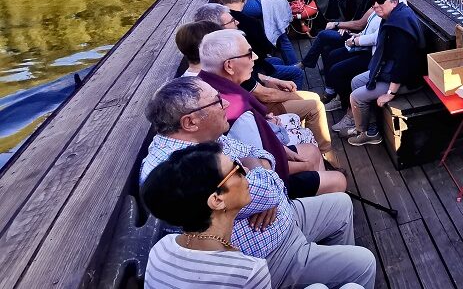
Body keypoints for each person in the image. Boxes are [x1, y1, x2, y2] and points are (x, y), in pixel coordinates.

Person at [140, 78, 375, 289]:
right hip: (270, 253)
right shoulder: (178, 170)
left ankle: (331, 270)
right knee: (363, 263)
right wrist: (264, 186)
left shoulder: (205, 137)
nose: (226, 105)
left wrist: (262, 186)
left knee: (341, 204)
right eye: (217, 102)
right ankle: (332, 272)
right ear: (190, 121)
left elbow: (262, 156)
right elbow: (269, 188)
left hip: (282, 218)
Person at [198, 30, 343, 193]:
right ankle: (315, 203)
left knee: (312, 150)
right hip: (268, 187)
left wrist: (285, 150)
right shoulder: (236, 113)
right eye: (249, 54)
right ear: (229, 66)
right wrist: (304, 166)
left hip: (262, 160)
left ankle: (317, 191)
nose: (255, 57)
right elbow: (261, 169)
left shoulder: (207, 85)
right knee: (339, 181)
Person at [141, 142, 271, 288]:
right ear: (217, 200)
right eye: (236, 169)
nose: (245, 171)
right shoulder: (249, 272)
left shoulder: (161, 249)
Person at [346, 0, 425, 146]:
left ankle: (365, 133)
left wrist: (390, 93)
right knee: (355, 81)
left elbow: (402, 63)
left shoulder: (399, 26)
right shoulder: (393, 15)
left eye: (380, 1)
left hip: (407, 80)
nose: (375, 5)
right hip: (390, 71)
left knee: (356, 96)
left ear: (394, 1)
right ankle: (372, 125)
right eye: (373, 2)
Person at [301, 0, 386, 109]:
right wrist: (346, 27)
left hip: (362, 41)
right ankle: (331, 90)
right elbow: (358, 19)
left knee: (324, 36)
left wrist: (339, 25)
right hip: (356, 34)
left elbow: (361, 24)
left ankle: (307, 67)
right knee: (328, 50)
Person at [212, 0, 306, 90]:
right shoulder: (250, 23)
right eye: (233, 21)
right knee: (297, 73)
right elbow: (264, 50)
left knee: (277, 60)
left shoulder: (222, 21)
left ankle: (279, 88)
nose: (237, 23)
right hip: (250, 68)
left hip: (247, 65)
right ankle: (296, 98)